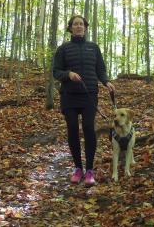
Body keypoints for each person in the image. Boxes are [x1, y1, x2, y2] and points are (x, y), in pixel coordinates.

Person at [53, 15, 115, 186]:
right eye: (75, 24)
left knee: (88, 128)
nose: (79, 26)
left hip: (89, 96)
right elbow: (56, 71)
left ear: (85, 27)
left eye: (81, 24)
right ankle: (77, 168)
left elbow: (100, 69)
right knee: (72, 128)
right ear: (70, 28)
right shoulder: (63, 49)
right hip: (69, 96)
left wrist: (107, 82)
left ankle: (89, 170)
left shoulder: (93, 48)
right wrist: (68, 74)